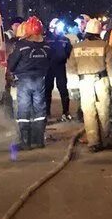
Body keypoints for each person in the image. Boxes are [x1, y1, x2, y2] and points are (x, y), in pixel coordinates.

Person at [68, 17, 112, 151]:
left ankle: (93, 142)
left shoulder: (77, 47)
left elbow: (71, 68)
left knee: (89, 112)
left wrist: (73, 88)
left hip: (84, 83)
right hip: (101, 81)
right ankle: (105, 140)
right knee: (104, 111)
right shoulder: (105, 46)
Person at [7, 16, 52, 149]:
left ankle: (25, 141)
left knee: (24, 109)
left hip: (24, 81)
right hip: (40, 80)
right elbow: (49, 63)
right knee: (39, 109)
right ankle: (39, 141)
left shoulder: (21, 46)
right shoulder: (46, 46)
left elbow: (12, 64)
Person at [43, 19, 73, 121]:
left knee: (63, 90)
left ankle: (66, 112)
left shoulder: (65, 40)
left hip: (60, 67)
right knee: (47, 90)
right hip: (48, 68)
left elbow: (69, 53)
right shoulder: (45, 39)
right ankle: (47, 112)